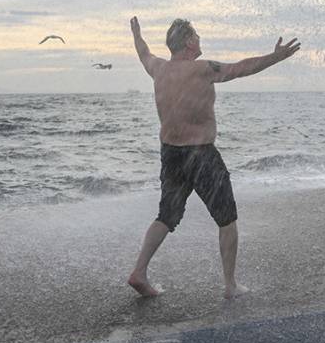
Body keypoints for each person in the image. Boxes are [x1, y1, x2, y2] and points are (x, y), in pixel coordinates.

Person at [127, 16, 301, 299]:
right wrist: (276, 57)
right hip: (201, 154)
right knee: (227, 218)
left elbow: (142, 52)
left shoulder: (158, 68)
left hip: (170, 153)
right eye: (196, 36)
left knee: (166, 216)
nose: (199, 40)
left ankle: (139, 272)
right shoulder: (203, 70)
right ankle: (231, 285)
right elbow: (241, 68)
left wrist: (136, 33)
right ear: (187, 42)